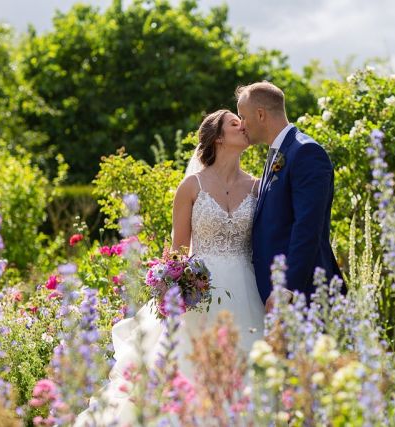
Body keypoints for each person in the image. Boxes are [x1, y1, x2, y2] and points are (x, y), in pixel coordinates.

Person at [74, 110, 265, 426]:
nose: (243, 126)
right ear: (218, 137)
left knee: (247, 371)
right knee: (191, 373)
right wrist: (174, 283)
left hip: (247, 289)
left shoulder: (258, 187)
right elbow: (178, 251)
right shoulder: (192, 186)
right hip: (203, 295)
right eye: (235, 123)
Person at [236, 81, 343, 312]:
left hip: (305, 295)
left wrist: (287, 288)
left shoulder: (306, 152)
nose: (241, 125)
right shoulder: (277, 153)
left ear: (261, 114)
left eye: (243, 117)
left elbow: (308, 227)